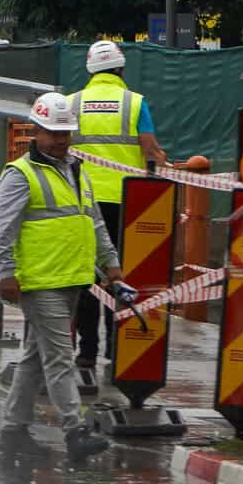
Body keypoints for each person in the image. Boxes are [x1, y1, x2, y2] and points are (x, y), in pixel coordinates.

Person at [0, 92, 124, 461]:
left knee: (35, 357)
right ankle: (75, 431)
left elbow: (93, 220)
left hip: (72, 278)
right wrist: (6, 273)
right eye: (53, 132)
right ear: (35, 131)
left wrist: (110, 263)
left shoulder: (77, 169)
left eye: (66, 132)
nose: (61, 139)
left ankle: (13, 430)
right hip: (40, 281)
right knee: (61, 358)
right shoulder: (21, 175)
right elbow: (2, 230)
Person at [68, 41, 168, 386]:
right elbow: (150, 151)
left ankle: (86, 352)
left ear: (90, 70)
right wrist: (160, 158)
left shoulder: (72, 103)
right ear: (121, 71)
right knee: (119, 276)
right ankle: (116, 348)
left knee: (87, 276)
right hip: (128, 202)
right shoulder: (135, 102)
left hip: (82, 201)